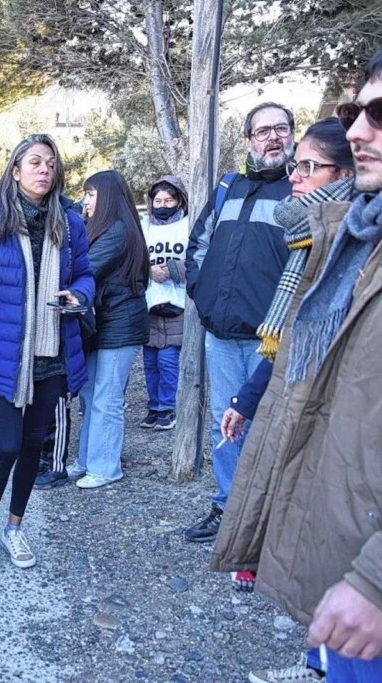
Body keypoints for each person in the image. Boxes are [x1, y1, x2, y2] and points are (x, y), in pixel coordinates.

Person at [212, 53, 382, 683]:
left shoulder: (337, 236)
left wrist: (373, 580)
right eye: (354, 112)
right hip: (344, 498)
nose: (362, 128)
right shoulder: (345, 235)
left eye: (309, 165)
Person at [0, 133, 94, 572]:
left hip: (52, 353)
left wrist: (78, 295)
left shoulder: (69, 223)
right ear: (16, 171)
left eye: (50, 163)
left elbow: (86, 276)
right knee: (8, 445)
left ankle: (15, 527)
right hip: (5, 355)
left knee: (34, 444)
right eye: (34, 162)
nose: (44, 170)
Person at [182, 102, 295, 543]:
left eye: (281, 129)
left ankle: (266, 520)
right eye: (263, 130)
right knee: (223, 423)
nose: (273, 138)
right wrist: (200, 291)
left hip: (272, 340)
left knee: (272, 428)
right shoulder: (229, 186)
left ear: (291, 134)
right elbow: (198, 245)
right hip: (221, 334)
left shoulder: (300, 189)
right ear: (249, 139)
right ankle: (230, 507)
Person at [69, 170, 148, 489]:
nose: (85, 200)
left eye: (91, 194)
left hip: (120, 324)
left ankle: (105, 467)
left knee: (107, 397)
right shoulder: (103, 228)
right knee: (90, 395)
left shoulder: (117, 230)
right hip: (103, 324)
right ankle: (88, 460)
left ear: (107, 197)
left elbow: (87, 268)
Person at [140, 176, 190, 431]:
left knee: (168, 360)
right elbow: (135, 257)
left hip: (178, 302)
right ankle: (154, 405)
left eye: (168, 200)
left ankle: (167, 407)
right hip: (150, 303)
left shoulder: (188, 226)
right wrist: (149, 271)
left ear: (179, 200)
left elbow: (197, 259)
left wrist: (171, 269)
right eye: (158, 200)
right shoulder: (144, 227)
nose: (163, 204)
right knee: (150, 361)